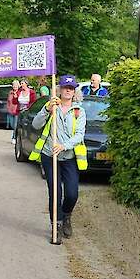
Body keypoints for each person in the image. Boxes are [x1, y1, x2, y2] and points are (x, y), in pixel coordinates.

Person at [29, 75, 87, 238]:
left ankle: (66, 215)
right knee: (55, 192)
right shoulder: (51, 107)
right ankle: (57, 224)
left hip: (69, 157)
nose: (68, 90)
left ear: (74, 91)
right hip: (49, 156)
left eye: (71, 88)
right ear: (59, 89)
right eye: (65, 87)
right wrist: (46, 110)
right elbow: (36, 125)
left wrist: (64, 145)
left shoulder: (78, 111)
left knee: (71, 194)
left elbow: (80, 134)